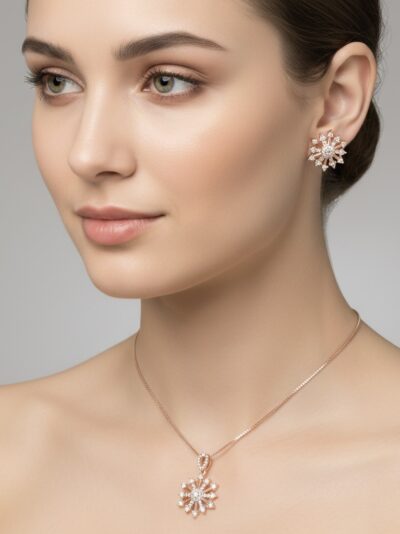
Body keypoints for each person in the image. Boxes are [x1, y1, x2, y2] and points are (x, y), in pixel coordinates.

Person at [1, 0, 399, 530]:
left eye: (167, 82)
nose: (88, 154)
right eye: (57, 82)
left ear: (335, 102)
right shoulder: (11, 451)